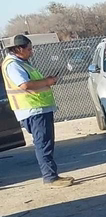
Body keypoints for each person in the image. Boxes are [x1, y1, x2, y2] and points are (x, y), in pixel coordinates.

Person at [2, 34, 73, 186]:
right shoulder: (13, 64)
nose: (31, 51)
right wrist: (48, 81)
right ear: (18, 49)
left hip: (37, 109)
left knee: (45, 142)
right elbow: (25, 85)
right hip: (33, 109)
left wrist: (46, 82)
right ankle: (50, 177)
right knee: (43, 144)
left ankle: (52, 175)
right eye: (29, 49)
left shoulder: (21, 62)